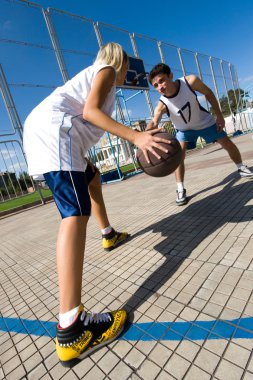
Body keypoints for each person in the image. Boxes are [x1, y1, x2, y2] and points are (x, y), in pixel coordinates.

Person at [23, 42, 169, 367]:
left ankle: (108, 233)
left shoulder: (101, 83)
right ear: (119, 62)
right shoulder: (104, 71)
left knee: (93, 177)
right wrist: (136, 137)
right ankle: (72, 326)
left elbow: (84, 116)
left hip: (55, 134)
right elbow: (89, 113)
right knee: (74, 213)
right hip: (55, 133)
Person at [147, 63, 253, 205]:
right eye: (155, 85)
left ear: (170, 76)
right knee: (179, 156)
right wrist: (145, 134)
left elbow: (208, 93)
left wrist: (220, 116)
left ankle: (241, 167)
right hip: (184, 131)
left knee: (227, 143)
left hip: (205, 122)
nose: (160, 87)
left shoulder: (189, 82)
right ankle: (180, 189)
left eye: (162, 80)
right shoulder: (162, 104)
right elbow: (154, 122)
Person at [85, 158, 129, 251]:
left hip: (68, 159)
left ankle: (108, 234)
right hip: (60, 163)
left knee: (94, 175)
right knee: (73, 215)